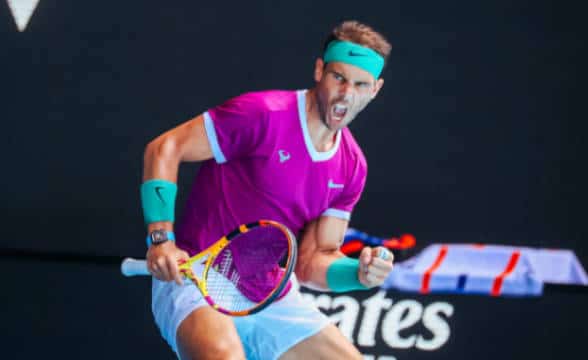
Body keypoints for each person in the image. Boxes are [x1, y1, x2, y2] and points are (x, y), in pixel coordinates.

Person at [141, 20, 394, 360]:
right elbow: (165, 148)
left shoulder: (351, 167)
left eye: (360, 84)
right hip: (194, 275)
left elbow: (311, 262)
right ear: (320, 71)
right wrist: (161, 240)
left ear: (374, 89)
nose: (346, 93)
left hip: (268, 294)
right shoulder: (263, 113)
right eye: (339, 77)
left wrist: (359, 274)